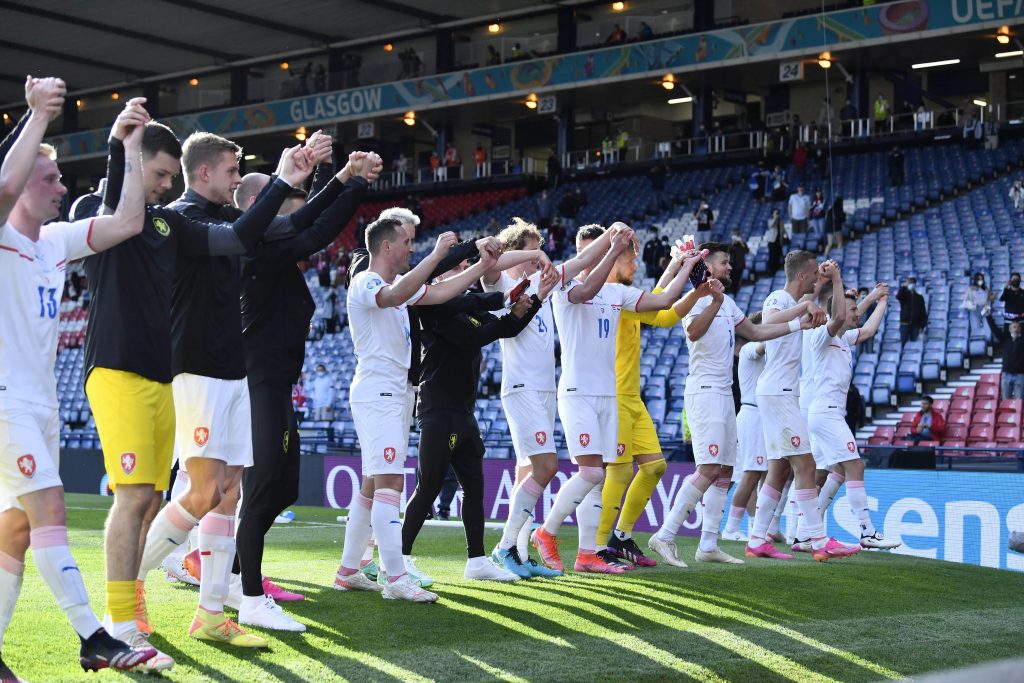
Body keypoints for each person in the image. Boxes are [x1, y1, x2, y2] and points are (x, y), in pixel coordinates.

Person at [73, 117, 309, 667]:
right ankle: (122, 616)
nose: (163, 183)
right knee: (156, 497)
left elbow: (244, 236)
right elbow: (117, 198)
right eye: (156, 172)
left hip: (179, 372)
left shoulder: (166, 224)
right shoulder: (127, 215)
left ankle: (206, 614)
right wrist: (119, 145)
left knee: (199, 495)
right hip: (145, 368)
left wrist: (314, 181)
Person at [0, 78, 158, 680]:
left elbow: (128, 221)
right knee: (49, 509)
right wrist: (37, 116)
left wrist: (129, 148)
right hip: (6, 403)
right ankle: (94, 636)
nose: (63, 188)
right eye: (53, 179)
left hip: (34, 407)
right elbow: (6, 184)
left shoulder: (53, 244)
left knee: (15, 529)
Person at [331, 220, 499, 602]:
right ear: (386, 246)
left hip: (394, 394)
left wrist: (478, 268)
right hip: (380, 393)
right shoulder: (368, 283)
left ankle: (348, 570)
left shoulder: (400, 289)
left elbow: (440, 295)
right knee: (392, 483)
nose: (411, 249)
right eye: (406, 243)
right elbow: (395, 295)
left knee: (374, 486)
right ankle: (396, 579)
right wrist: (439, 254)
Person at [531, 224, 697, 575]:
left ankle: (588, 553)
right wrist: (612, 245)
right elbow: (589, 286)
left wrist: (685, 267)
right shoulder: (567, 284)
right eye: (592, 252)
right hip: (579, 393)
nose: (597, 258)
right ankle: (545, 532)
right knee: (591, 471)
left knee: (601, 476)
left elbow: (664, 303)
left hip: (609, 395)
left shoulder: (618, 294)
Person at [650, 244, 825, 567]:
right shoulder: (699, 297)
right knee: (709, 469)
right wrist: (714, 301)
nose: (730, 267)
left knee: (726, 470)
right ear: (708, 266)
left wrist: (798, 325)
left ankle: (709, 544)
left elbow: (756, 331)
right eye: (725, 262)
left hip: (723, 392)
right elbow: (692, 332)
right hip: (704, 392)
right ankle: (665, 534)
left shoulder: (727, 302)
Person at [487, 220, 631, 578]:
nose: (539, 261)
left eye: (539, 251)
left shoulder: (543, 285)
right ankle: (505, 547)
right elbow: (490, 265)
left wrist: (611, 240)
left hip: (545, 389)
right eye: (531, 252)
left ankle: (518, 553)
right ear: (516, 252)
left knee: (529, 470)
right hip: (520, 387)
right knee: (547, 466)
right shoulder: (501, 283)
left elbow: (577, 265)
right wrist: (536, 253)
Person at [400, 258, 557, 583]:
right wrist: (506, 307)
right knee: (427, 487)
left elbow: (506, 328)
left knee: (474, 488)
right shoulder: (434, 305)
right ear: (441, 275)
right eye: (459, 267)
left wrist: (537, 298)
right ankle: (398, 561)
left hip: (463, 411)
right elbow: (476, 337)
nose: (466, 271)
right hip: (438, 409)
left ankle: (476, 561)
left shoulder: (465, 306)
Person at [598, 246, 711, 570]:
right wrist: (697, 291)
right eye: (630, 260)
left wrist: (678, 265)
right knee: (618, 472)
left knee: (655, 466)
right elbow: (665, 315)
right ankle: (596, 546)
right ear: (614, 261)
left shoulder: (624, 296)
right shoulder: (612, 296)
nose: (636, 265)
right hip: (615, 396)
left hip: (632, 397)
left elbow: (660, 297)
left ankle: (619, 537)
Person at [744, 252, 860, 562]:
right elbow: (767, 321)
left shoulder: (793, 299)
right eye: (811, 275)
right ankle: (818, 540)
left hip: (779, 392)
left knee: (780, 470)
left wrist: (827, 281)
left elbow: (822, 309)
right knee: (806, 465)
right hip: (779, 393)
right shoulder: (778, 298)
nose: (814, 281)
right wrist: (804, 307)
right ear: (800, 276)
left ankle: (757, 539)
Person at [803, 285, 901, 550]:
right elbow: (836, 319)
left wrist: (882, 302)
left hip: (830, 413)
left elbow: (868, 331)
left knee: (836, 470)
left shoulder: (843, 339)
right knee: (855, 466)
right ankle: (867, 532)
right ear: (837, 311)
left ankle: (804, 533)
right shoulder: (822, 335)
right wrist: (835, 277)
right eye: (853, 308)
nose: (858, 312)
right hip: (825, 413)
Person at [721, 314, 766, 542]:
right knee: (746, 474)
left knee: (754, 473)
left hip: (756, 417)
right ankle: (730, 526)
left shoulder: (754, 356)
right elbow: (763, 345)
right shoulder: (750, 351)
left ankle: (755, 526)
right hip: (748, 416)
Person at [992, 321, 1024, 399]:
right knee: (1005, 402)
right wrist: (988, 316)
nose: (1016, 329)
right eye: (1014, 327)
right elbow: (995, 329)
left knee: (1019, 403)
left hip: (1019, 375)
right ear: (1009, 329)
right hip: (1006, 375)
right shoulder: (1005, 341)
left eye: (1018, 327)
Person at [896, 276, 928, 345]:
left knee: (914, 344)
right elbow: (898, 296)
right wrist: (904, 286)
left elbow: (923, 312)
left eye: (912, 282)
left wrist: (922, 326)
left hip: (915, 325)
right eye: (910, 282)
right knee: (903, 343)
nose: (911, 284)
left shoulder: (919, 297)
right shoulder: (904, 295)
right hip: (905, 324)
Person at [962, 272, 993, 343]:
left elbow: (988, 301)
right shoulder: (970, 288)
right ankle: (977, 345)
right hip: (974, 310)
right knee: (975, 328)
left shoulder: (986, 289)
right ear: (975, 280)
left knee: (987, 327)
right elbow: (966, 301)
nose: (980, 281)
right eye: (978, 279)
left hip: (985, 308)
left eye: (982, 279)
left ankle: (987, 345)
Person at [765, 208, 789, 274]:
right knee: (772, 256)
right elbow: (771, 225)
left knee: (778, 256)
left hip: (779, 241)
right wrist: (775, 218)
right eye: (775, 213)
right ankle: (771, 270)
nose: (777, 214)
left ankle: (776, 269)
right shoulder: (770, 220)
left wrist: (787, 235)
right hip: (772, 241)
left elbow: (783, 230)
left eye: (777, 213)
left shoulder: (781, 221)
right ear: (772, 214)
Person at [728, 229, 748, 294]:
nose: (734, 236)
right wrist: (733, 243)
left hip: (740, 265)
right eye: (733, 234)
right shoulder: (731, 244)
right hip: (732, 265)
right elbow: (729, 251)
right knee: (731, 279)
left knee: (738, 280)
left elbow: (747, 251)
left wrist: (741, 242)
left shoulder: (742, 244)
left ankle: (736, 292)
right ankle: (731, 292)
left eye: (735, 234)